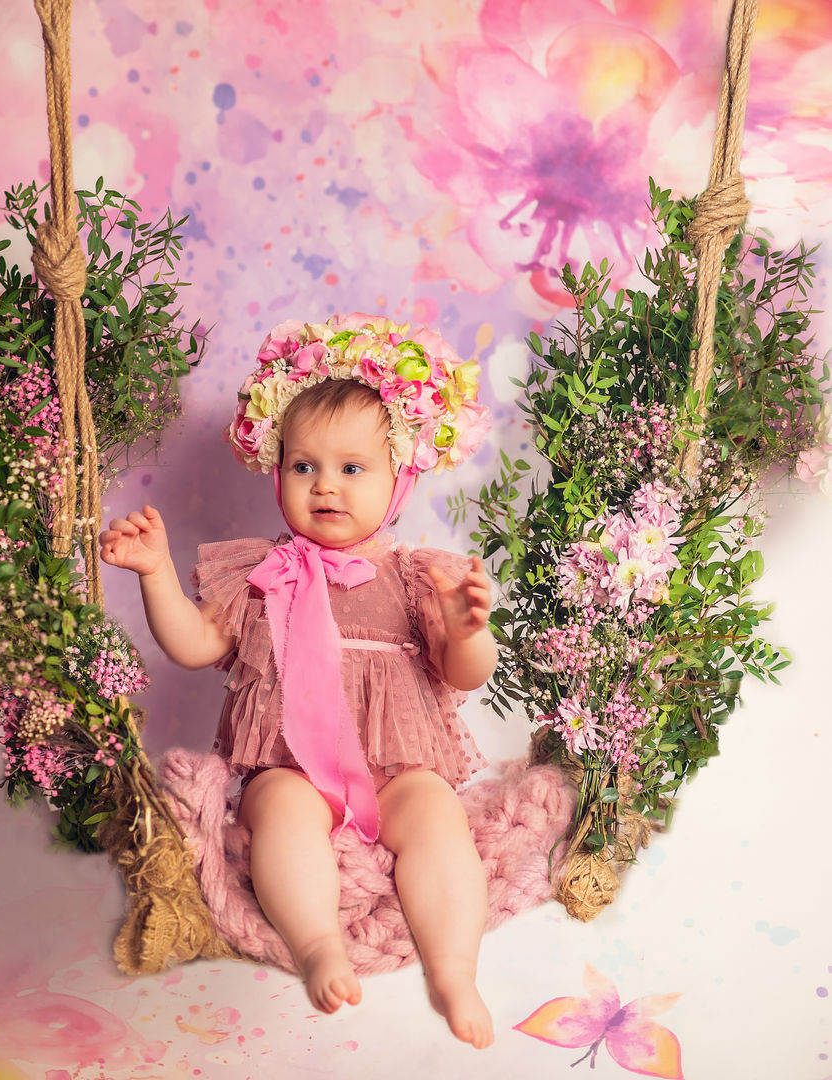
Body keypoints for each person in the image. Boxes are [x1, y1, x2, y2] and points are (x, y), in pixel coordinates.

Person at [100, 313, 498, 1048]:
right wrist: (155, 573)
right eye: (303, 466)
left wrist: (469, 631)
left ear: (400, 476)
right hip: (289, 767)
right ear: (277, 469)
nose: (325, 487)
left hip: (397, 771)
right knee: (280, 811)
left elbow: (461, 675)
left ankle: (454, 969)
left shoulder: (417, 575)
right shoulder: (261, 570)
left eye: (353, 469)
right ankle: (316, 944)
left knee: (439, 817)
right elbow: (194, 644)